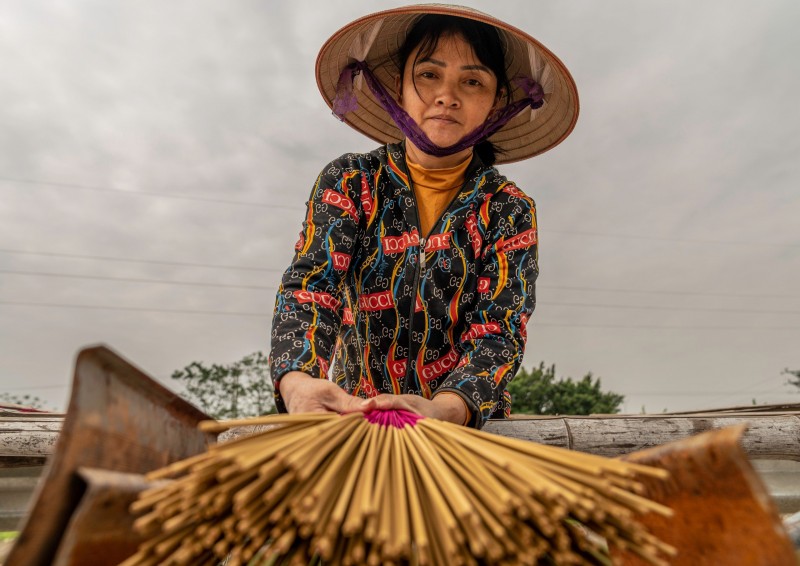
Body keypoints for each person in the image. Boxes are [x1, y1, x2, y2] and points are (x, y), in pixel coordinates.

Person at [269, 5, 578, 428]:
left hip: (462, 432)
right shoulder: (352, 181)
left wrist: (446, 408)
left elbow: (499, 330)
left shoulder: (508, 208)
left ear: (496, 102)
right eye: (429, 74)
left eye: (472, 81)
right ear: (399, 87)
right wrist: (299, 384)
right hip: (357, 422)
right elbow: (311, 288)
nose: (447, 96)